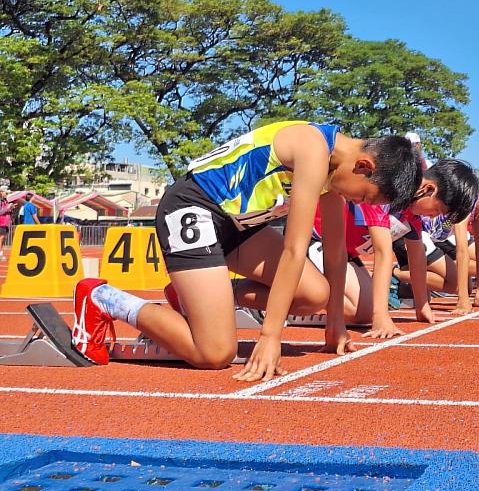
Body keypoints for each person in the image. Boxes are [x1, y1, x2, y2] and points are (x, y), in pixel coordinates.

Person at [70, 121, 423, 383]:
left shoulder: (337, 169)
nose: (357, 203)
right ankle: (103, 298)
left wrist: (335, 322)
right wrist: (270, 337)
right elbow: (294, 249)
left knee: (317, 292)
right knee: (214, 354)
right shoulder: (313, 148)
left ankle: (193, 297)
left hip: (239, 228)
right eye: (363, 197)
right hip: (194, 207)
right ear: (364, 167)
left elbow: (333, 250)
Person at [311, 159, 479, 337]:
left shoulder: (412, 212)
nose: (432, 217)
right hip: (317, 241)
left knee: (365, 309)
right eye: (437, 210)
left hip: (345, 255)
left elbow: (417, 257)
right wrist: (381, 317)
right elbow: (383, 253)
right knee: (363, 312)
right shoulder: (386, 189)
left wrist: (422, 306)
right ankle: (299, 305)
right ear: (428, 189)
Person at [0, 186, 15, 258]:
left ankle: (1, 251)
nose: (7, 194)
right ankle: (0, 253)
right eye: (6, 193)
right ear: (1, 193)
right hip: (1, 222)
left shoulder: (6, 201)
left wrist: (11, 208)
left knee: (4, 238)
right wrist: (8, 208)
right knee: (1, 237)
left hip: (6, 223)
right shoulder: (0, 202)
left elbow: (7, 211)